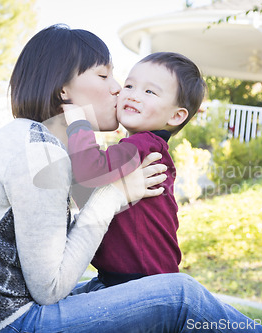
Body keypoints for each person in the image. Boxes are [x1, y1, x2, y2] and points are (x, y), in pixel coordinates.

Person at [0, 24, 262, 333]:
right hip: (0, 324)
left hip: (0, 316)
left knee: (108, 291)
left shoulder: (32, 142)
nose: (118, 90)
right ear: (65, 89)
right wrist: (116, 194)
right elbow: (50, 288)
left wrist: (109, 192)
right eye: (105, 76)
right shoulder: (36, 152)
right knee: (180, 294)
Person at [62, 52, 206, 287]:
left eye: (149, 91)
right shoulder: (138, 148)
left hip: (143, 282)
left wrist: (79, 123)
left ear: (176, 115)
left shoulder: (145, 145)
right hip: (128, 278)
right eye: (129, 85)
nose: (133, 95)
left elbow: (88, 169)